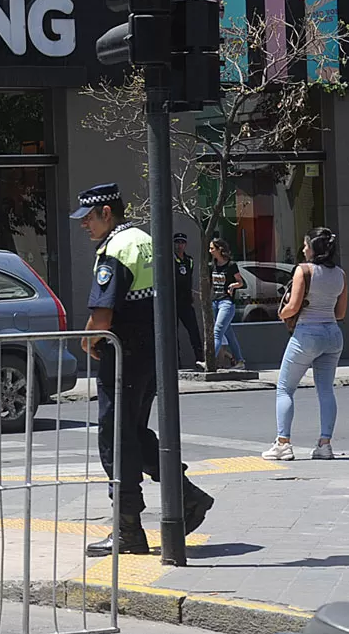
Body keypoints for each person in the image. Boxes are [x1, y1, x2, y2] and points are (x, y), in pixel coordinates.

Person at [70, 183, 214, 557]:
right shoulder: (144, 239)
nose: (85, 225)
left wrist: (88, 342)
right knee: (132, 433)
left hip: (125, 355)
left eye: (88, 218)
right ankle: (186, 496)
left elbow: (102, 313)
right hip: (153, 352)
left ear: (105, 213)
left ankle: (129, 530)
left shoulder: (115, 249)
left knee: (114, 438)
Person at [264, 228, 347, 461]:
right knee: (326, 389)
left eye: (305, 245)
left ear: (313, 248)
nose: (303, 249)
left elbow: (292, 307)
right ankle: (324, 444)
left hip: (307, 334)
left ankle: (283, 444)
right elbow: (340, 313)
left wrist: (282, 313)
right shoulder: (340, 274)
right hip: (332, 334)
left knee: (285, 388)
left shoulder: (303, 270)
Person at [208, 238, 246, 370]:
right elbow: (210, 284)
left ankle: (209, 361)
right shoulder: (211, 265)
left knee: (217, 332)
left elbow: (241, 282)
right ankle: (240, 361)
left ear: (219, 249)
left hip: (226, 302)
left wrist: (233, 285)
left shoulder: (231, 265)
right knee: (229, 333)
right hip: (215, 301)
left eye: (212, 248)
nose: (210, 251)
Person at [172, 234, 203, 368]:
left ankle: (200, 360)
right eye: (177, 242)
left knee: (194, 331)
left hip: (186, 302)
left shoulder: (189, 260)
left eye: (182, 242)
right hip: (173, 302)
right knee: (174, 334)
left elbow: (189, 278)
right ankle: (176, 363)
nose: (179, 245)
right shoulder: (170, 259)